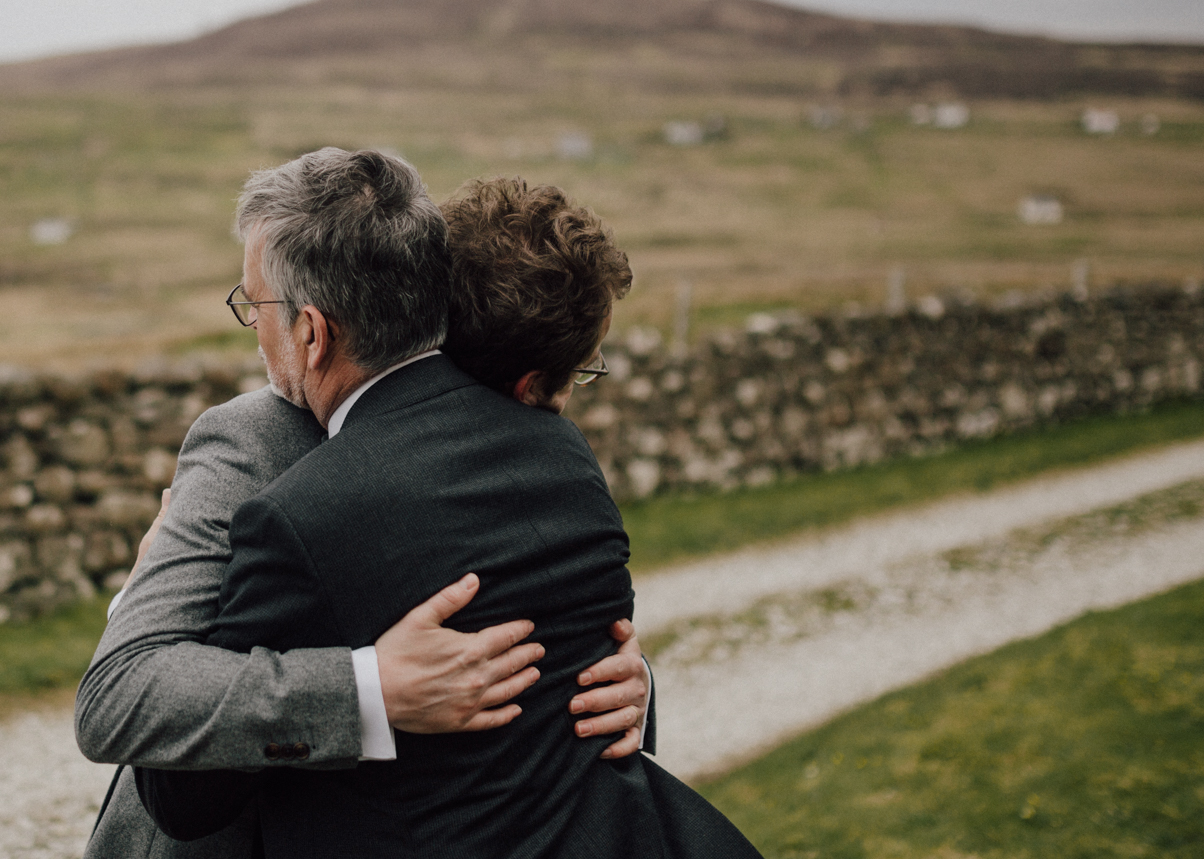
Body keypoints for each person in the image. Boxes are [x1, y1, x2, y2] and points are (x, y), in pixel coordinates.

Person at [132, 153, 759, 857]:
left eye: (257, 306)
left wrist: (172, 598)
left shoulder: (316, 509)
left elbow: (178, 792)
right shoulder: (563, 459)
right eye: (575, 373)